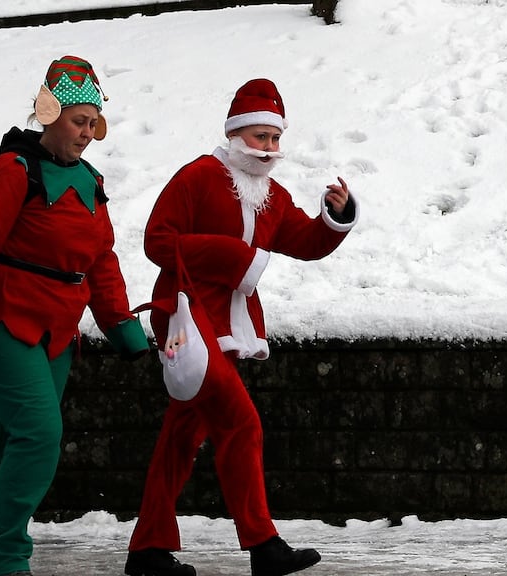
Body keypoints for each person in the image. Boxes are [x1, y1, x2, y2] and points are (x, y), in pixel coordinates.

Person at [124, 78, 359, 576]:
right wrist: (234, 257)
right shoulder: (199, 176)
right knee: (241, 422)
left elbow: (303, 239)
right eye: (259, 138)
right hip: (186, 317)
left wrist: (335, 218)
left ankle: (147, 549)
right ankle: (262, 543)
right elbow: (157, 241)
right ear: (235, 134)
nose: (270, 149)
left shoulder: (271, 194)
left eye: (275, 139)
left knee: (182, 436)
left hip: (227, 327)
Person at [0, 55, 150, 576]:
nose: (86, 133)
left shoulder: (89, 180)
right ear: (49, 113)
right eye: (78, 121)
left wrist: (123, 325)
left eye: (93, 123)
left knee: (12, 441)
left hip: (57, 332)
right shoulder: (11, 172)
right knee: (39, 433)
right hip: (1, 320)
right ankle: (9, 560)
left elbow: (101, 258)